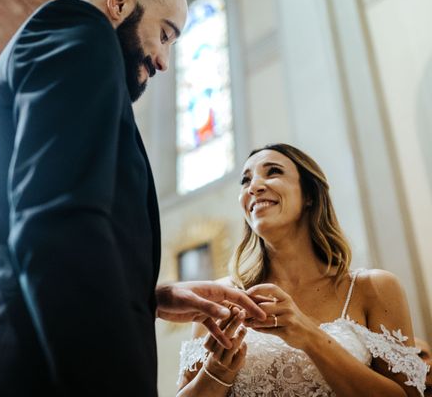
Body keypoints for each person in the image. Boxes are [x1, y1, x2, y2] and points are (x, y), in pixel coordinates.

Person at [0, 0, 265, 397]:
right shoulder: (79, 29)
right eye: (163, 34)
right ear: (120, 1)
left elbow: (45, 218)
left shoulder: (66, 57)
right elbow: (56, 224)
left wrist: (146, 297)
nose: (163, 61)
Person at [178, 143, 429, 396]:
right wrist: (216, 373)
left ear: (309, 194)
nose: (253, 187)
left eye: (273, 171)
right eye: (245, 180)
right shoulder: (220, 298)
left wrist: (308, 335)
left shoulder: (374, 288)